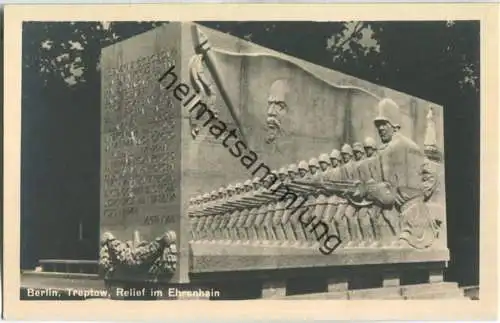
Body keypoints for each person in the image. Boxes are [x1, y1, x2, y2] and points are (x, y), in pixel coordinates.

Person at [365, 98, 438, 249]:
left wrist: (417, 195)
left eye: (384, 124)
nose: (380, 129)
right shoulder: (392, 148)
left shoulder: (399, 148)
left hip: (412, 217)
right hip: (401, 211)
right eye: (378, 125)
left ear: (394, 125)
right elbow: (430, 173)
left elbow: (430, 173)